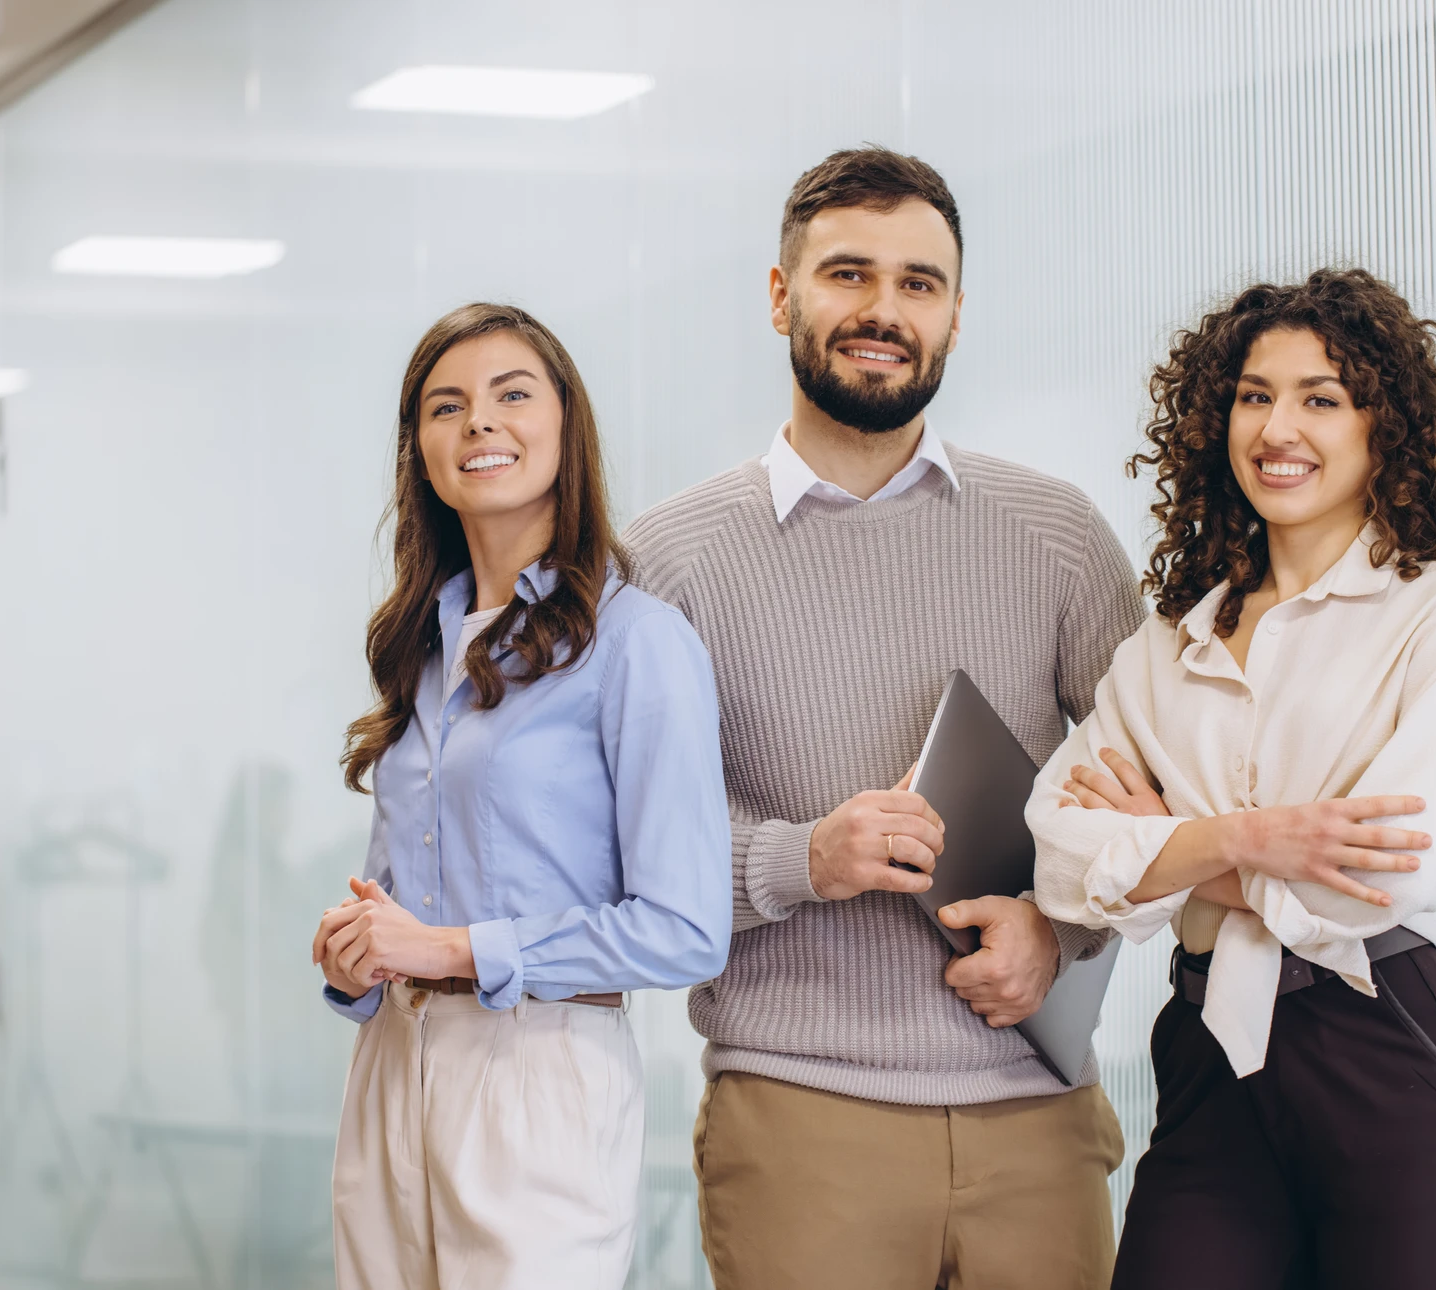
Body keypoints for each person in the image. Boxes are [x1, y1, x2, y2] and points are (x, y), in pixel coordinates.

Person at [625, 147, 1143, 1290]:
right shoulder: (665, 565)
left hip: (1036, 1117)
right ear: (780, 297)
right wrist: (800, 859)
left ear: (955, 315)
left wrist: (1060, 931)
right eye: (847, 274)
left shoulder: (1054, 535)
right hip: (800, 1123)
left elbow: (1160, 798)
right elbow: (617, 860)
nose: (883, 311)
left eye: (918, 283)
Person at [1027, 269, 1436, 1289]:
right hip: (1207, 1055)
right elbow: (1059, 858)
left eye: (1320, 398)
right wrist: (1246, 841)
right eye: (1253, 396)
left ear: (1384, 427)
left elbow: (1378, 877)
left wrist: (1165, 852)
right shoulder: (1167, 647)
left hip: (1387, 1053)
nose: (1276, 428)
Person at [312, 302, 732, 1290]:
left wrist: (456, 949)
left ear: (564, 424)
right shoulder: (420, 644)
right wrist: (355, 954)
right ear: (420, 453)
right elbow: (400, 898)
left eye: (512, 395)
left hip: (538, 1071)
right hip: (391, 1066)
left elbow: (685, 929)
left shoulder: (637, 642)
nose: (479, 423)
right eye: (445, 407)